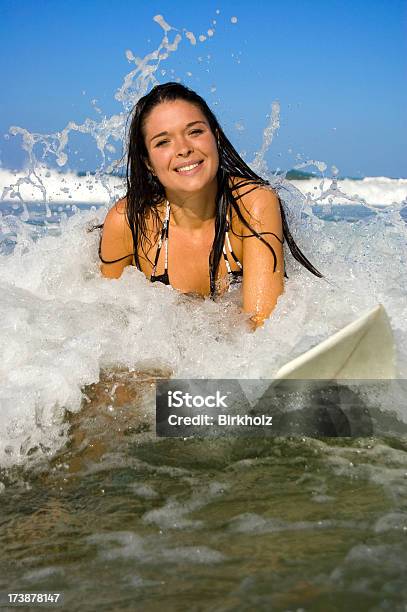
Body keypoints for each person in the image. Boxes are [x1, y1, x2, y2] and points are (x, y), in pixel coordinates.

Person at [98, 82, 321, 329]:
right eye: (163, 142)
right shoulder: (127, 222)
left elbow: (263, 329)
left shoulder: (252, 204)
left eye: (195, 132)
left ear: (215, 136)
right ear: (148, 162)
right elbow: (109, 331)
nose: (184, 149)